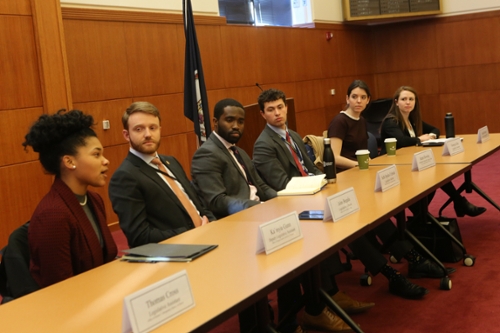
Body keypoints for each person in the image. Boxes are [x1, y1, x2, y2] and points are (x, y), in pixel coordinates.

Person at [193, 98, 355, 333]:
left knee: (315, 224)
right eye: (230, 120)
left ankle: (314, 306)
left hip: (261, 216)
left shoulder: (238, 152)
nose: (236, 126)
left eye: (240, 121)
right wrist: (258, 209)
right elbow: (217, 201)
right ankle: (300, 316)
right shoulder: (206, 154)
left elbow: (262, 187)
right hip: (238, 226)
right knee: (297, 242)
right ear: (215, 122)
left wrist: (283, 202)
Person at [328, 80, 451, 299]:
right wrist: (360, 165)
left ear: (368, 101)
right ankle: (393, 274)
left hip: (360, 180)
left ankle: (413, 259)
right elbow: (334, 157)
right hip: (344, 185)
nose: (358, 101)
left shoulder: (361, 120)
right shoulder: (340, 121)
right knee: (364, 229)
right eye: (354, 97)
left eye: (363, 98)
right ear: (347, 98)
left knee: (382, 220)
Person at [22, 110, 117, 288]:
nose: (106, 161)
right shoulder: (52, 215)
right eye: (96, 155)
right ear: (69, 162)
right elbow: (59, 289)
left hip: (101, 295)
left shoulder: (94, 200)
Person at [109, 101, 215, 248]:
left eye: (152, 128)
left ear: (160, 130)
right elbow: (139, 236)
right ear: (127, 135)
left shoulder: (171, 162)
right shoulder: (125, 177)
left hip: (208, 238)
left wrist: (213, 225)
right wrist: (194, 231)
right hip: (177, 253)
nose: (148, 134)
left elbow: (197, 203)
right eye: (139, 129)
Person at [380, 85, 486, 218]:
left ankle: (425, 214)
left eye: (411, 99)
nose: (408, 102)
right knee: (433, 174)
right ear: (396, 102)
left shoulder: (411, 119)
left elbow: (435, 129)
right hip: (393, 167)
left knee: (434, 174)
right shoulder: (391, 121)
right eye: (404, 99)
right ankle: (454, 204)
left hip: (407, 162)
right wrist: (419, 139)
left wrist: (431, 136)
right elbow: (401, 141)